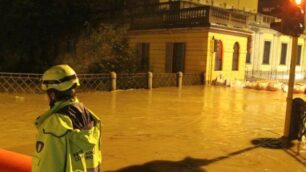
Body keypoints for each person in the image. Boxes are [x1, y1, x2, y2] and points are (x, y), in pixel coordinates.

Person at [32, 64, 102, 172]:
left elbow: (46, 167)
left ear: (52, 94)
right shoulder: (91, 117)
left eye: (46, 93)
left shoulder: (54, 126)